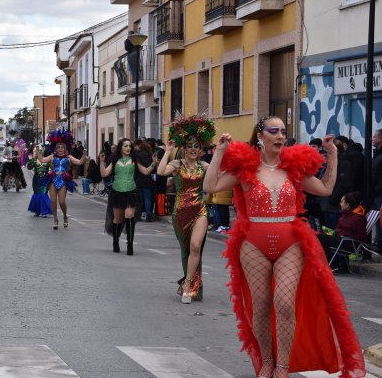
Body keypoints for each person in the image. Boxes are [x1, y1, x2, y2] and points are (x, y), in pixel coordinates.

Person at [203, 116, 365, 377]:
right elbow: (209, 186)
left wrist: (332, 154)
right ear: (260, 136)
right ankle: (267, 361)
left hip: (291, 242)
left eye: (283, 131)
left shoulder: (293, 168)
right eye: (273, 131)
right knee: (261, 304)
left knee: (285, 303)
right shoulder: (246, 167)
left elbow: (325, 188)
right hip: (253, 243)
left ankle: (283, 366)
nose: (280, 136)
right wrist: (219, 152)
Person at [157, 115, 214, 303]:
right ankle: (191, 285)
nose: (192, 149)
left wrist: (222, 151)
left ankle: (188, 285)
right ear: (184, 148)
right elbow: (160, 172)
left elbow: (217, 174)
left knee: (196, 246)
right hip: (180, 211)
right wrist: (168, 151)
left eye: (196, 146)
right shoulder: (177, 164)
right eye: (189, 145)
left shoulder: (204, 165)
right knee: (186, 250)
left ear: (201, 150)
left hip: (200, 210)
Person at [100, 138, 157, 255]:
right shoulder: (115, 159)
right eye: (125, 146)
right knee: (117, 219)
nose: (128, 148)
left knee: (129, 215)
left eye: (129, 146)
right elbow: (104, 173)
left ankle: (129, 245)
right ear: (121, 147)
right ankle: (115, 241)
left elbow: (146, 171)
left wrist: (154, 163)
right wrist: (101, 162)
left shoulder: (135, 160)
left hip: (131, 191)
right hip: (117, 192)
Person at [37, 128, 86, 229]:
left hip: (63, 179)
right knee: (53, 200)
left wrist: (84, 154)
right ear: (55, 148)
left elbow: (80, 162)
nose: (60, 149)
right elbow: (42, 160)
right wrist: (37, 151)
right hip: (53, 179)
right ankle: (55, 219)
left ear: (65, 148)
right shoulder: (52, 156)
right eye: (58, 147)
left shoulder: (69, 157)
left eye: (62, 147)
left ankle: (64, 216)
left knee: (62, 201)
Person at [317, 191, 368, 273]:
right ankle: (336, 264)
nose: (340, 204)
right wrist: (340, 232)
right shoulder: (347, 214)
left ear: (347, 205)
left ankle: (331, 263)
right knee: (319, 235)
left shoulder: (357, 218)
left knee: (320, 237)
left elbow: (360, 235)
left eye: (342, 202)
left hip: (348, 244)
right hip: (343, 240)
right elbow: (338, 228)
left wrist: (341, 232)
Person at [26, 146, 52, 217]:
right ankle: (37, 211)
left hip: (45, 179)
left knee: (44, 194)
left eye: (41, 151)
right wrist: (30, 160)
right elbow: (29, 167)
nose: (40, 152)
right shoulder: (34, 160)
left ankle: (44, 211)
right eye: (38, 151)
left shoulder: (47, 160)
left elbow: (52, 168)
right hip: (36, 180)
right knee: (37, 194)